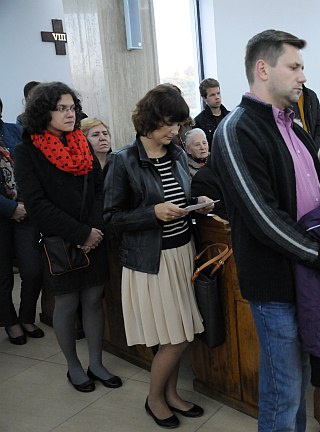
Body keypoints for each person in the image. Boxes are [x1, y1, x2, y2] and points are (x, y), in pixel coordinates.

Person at [211, 30, 320, 432]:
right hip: (274, 281)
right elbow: (262, 215)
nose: (302, 77)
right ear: (263, 69)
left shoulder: (293, 125)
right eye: (294, 67)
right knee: (282, 392)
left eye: (302, 67)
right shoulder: (237, 130)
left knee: (298, 385)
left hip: (306, 275)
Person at [104, 84, 213, 428]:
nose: (174, 131)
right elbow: (110, 218)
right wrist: (151, 213)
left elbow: (182, 198)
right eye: (168, 123)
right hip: (152, 262)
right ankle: (154, 398)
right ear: (149, 120)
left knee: (180, 333)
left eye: (178, 124)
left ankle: (170, 394)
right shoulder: (124, 161)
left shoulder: (177, 153)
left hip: (183, 252)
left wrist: (199, 205)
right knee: (175, 337)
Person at [14, 81, 120, 392]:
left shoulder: (82, 143)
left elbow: (100, 189)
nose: (69, 114)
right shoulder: (26, 151)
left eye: (72, 107)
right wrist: (81, 232)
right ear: (42, 112)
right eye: (61, 108)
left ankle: (97, 363)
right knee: (66, 302)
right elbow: (36, 204)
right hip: (59, 239)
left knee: (93, 300)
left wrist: (94, 229)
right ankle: (74, 366)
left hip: (94, 235)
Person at [1, 96, 43, 345]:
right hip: (2, 215)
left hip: (27, 210)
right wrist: (10, 208)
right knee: (3, 275)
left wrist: (26, 203)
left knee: (33, 269)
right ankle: (10, 321)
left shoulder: (16, 131)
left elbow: (34, 166)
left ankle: (27, 316)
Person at [193, 78, 229, 145]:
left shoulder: (230, 116)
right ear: (204, 98)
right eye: (212, 95)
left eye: (218, 93)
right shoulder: (198, 122)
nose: (217, 97)